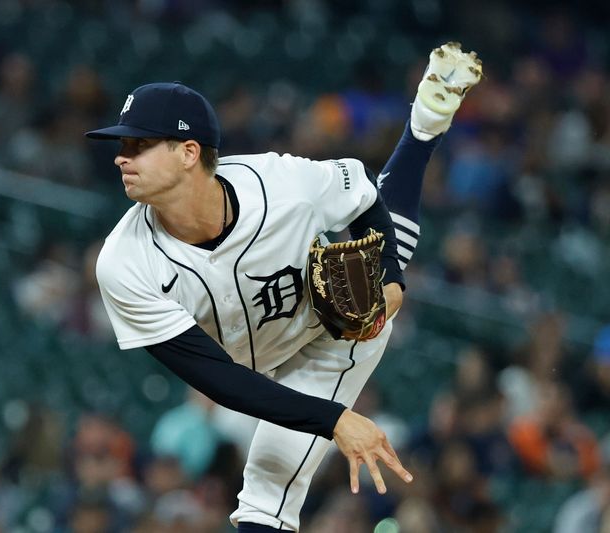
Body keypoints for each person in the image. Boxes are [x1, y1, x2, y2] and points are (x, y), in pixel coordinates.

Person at [86, 43, 482, 531]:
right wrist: (335, 420)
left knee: (268, 492)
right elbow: (218, 379)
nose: (121, 158)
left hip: (331, 337)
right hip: (241, 366)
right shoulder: (124, 263)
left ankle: (422, 129)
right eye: (123, 147)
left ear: (189, 152)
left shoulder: (281, 184)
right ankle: (424, 126)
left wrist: (390, 281)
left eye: (138, 145)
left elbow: (361, 197)